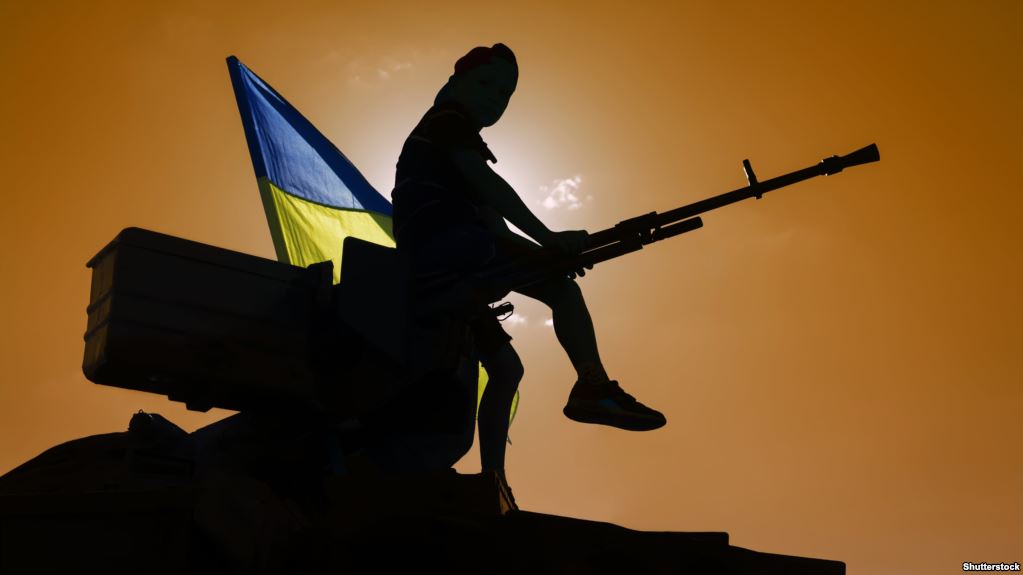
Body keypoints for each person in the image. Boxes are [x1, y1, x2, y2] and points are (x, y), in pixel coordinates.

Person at [391, 43, 666, 489]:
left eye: (505, 94)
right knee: (559, 288)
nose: (494, 98)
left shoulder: (462, 141)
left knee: (508, 368)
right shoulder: (446, 123)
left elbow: (495, 226)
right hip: (444, 250)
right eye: (486, 84)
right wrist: (547, 239)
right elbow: (487, 187)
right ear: (455, 82)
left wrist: (546, 255)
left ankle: (494, 478)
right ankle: (593, 386)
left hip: (462, 257)